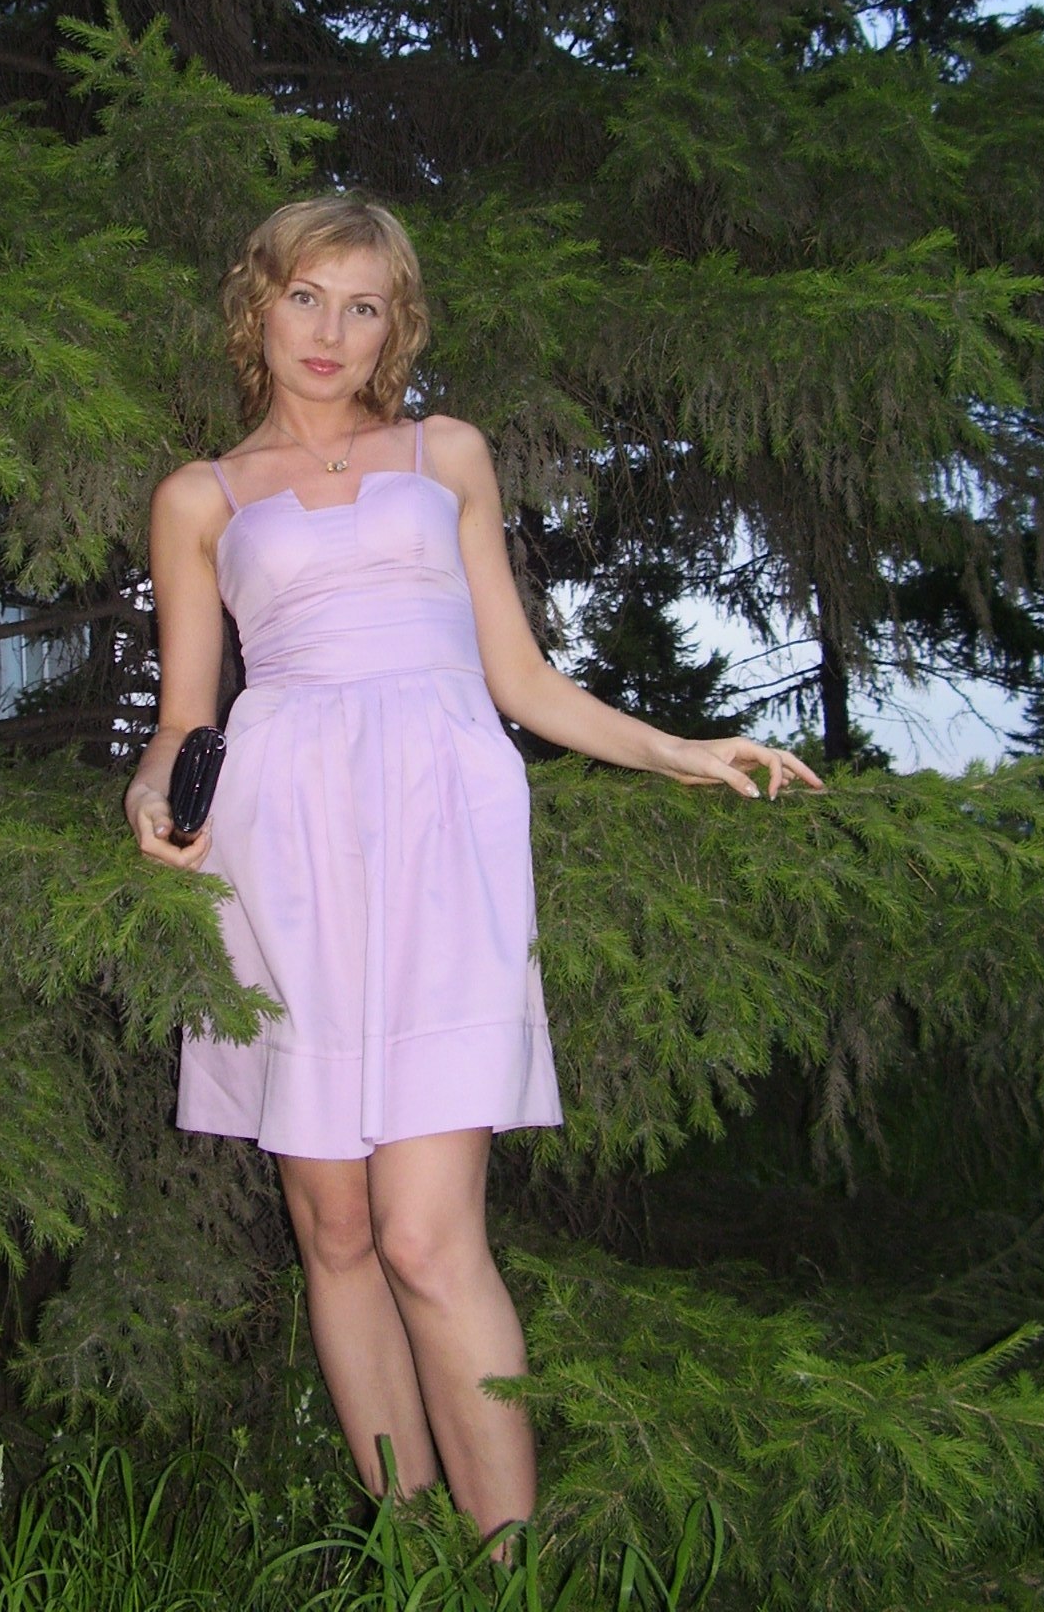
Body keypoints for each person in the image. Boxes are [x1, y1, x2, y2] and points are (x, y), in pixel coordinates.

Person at [125, 196, 822, 1546]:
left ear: (398, 325)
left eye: (364, 305)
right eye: (306, 296)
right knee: (335, 1231)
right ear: (258, 304)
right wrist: (154, 795)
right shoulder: (198, 497)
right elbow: (185, 718)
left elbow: (518, 678)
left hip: (443, 831)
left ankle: (509, 1573)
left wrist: (677, 749)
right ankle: (412, 1555)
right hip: (280, 843)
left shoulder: (446, 454)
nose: (331, 331)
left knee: (427, 1238)